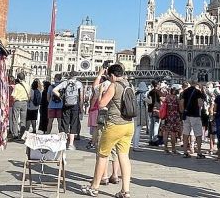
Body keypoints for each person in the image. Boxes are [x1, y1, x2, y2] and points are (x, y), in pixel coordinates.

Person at [82, 64, 134, 197]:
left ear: (111, 75)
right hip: (128, 125)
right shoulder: (129, 85)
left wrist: (100, 95)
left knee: (102, 155)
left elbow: (101, 104)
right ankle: (125, 191)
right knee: (123, 156)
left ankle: (94, 187)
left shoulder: (114, 85)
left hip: (114, 125)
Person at [52, 74, 84, 150]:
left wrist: (61, 96)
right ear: (75, 76)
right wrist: (81, 107)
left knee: (64, 123)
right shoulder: (79, 84)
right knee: (73, 123)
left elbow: (54, 90)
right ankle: (71, 144)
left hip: (65, 105)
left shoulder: (65, 83)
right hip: (75, 105)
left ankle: (63, 143)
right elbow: (81, 97)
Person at [180, 79, 206, 158]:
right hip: (195, 115)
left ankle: (185, 151)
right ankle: (199, 152)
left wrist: (183, 111)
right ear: (196, 84)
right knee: (198, 134)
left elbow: (181, 103)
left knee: (186, 133)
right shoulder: (198, 92)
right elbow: (200, 104)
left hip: (186, 115)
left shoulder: (184, 92)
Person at [163, 83, 182, 155]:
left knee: (166, 132)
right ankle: (173, 149)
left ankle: (165, 148)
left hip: (167, 116)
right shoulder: (177, 98)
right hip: (174, 116)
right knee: (173, 133)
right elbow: (180, 108)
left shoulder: (167, 97)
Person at [10, 72, 29, 140]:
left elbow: (13, 95)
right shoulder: (27, 85)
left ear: (18, 78)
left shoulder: (17, 86)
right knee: (23, 120)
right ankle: (22, 134)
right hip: (25, 103)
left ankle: (15, 134)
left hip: (17, 102)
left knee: (15, 119)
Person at [132, 82, 149, 149]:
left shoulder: (135, 95)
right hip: (140, 115)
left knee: (135, 131)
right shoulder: (143, 95)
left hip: (134, 114)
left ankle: (134, 145)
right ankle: (136, 146)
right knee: (138, 131)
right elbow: (149, 101)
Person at [148, 81, 163, 146]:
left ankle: (150, 139)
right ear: (158, 85)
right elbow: (162, 99)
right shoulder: (158, 92)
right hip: (157, 109)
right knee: (156, 125)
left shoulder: (150, 92)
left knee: (151, 125)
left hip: (150, 109)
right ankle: (155, 139)